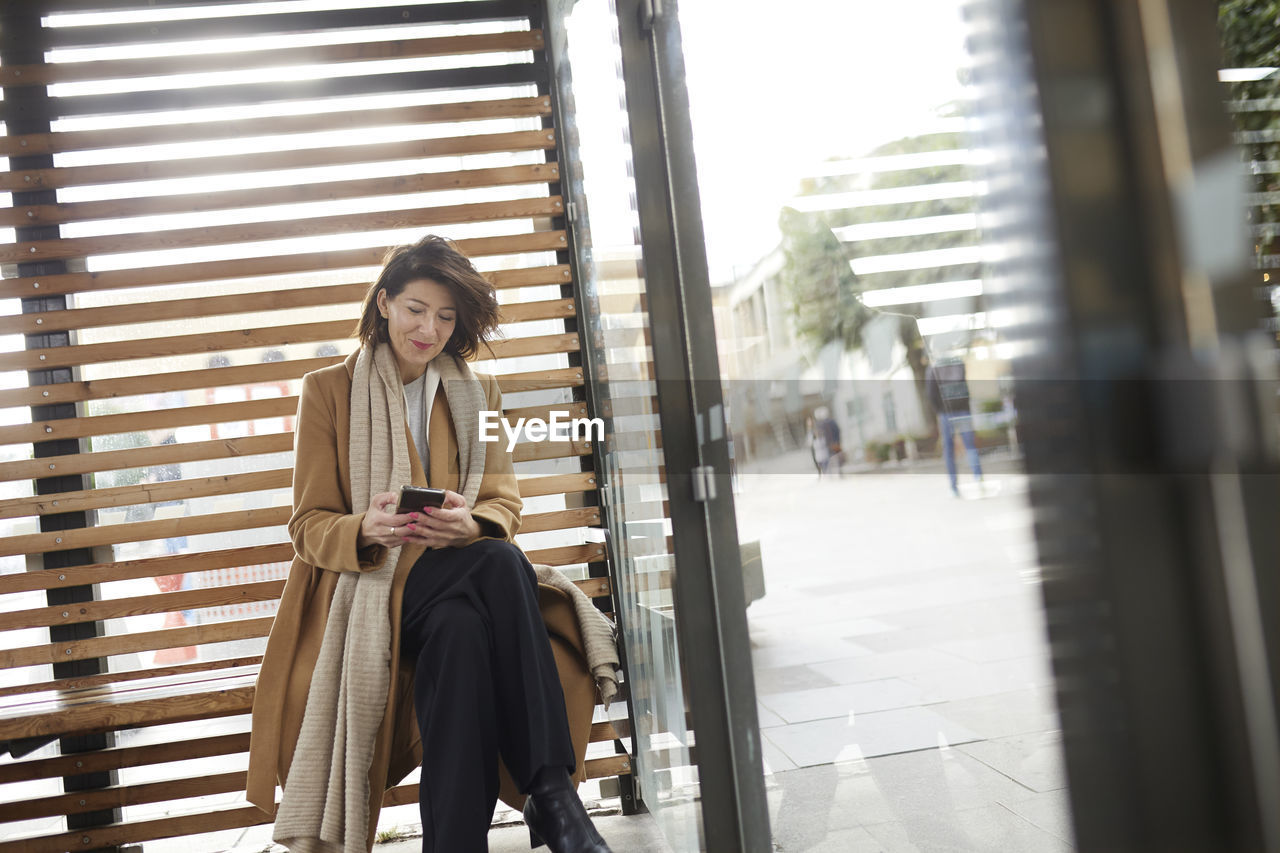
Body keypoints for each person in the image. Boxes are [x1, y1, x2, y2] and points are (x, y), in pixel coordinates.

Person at [246, 235, 612, 853]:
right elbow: (308, 524)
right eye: (416, 308)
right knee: (499, 563)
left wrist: (472, 526)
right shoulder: (327, 390)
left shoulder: (477, 393)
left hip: (454, 586)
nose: (430, 328)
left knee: (462, 633)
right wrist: (363, 528)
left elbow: (501, 501)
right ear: (384, 302)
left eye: (446, 316)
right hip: (367, 595)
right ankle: (551, 793)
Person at [924, 355, 983, 497]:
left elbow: (931, 393)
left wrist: (940, 410)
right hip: (962, 410)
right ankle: (978, 478)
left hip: (946, 413)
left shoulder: (933, 367)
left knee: (949, 450)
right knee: (970, 446)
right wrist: (965, 406)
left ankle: (954, 486)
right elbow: (964, 387)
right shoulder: (958, 363)